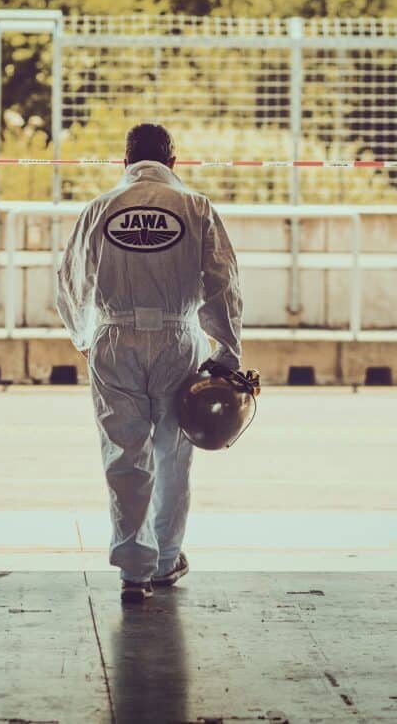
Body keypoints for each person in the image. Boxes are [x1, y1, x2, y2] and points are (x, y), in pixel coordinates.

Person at [57, 123, 243, 604]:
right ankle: (165, 560)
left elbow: (69, 279)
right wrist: (226, 352)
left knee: (124, 455)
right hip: (177, 337)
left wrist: (83, 335)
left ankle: (133, 572)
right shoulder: (196, 207)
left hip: (114, 336)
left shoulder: (100, 208)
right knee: (173, 453)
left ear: (124, 162)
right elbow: (222, 283)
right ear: (173, 163)